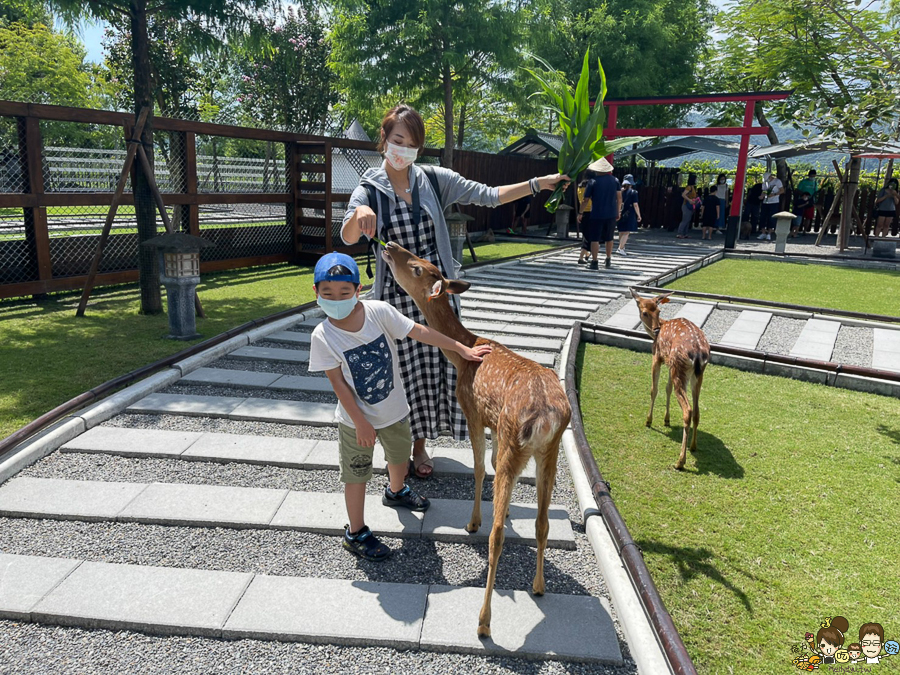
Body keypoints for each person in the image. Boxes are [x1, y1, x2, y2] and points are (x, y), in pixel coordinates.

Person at [341, 104, 568, 478]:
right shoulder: (370, 189)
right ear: (384, 140)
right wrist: (357, 219)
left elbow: (488, 194)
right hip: (397, 298)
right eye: (398, 140)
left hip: (436, 296)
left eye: (412, 144)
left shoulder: (431, 178)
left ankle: (420, 445)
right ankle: (401, 447)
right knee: (401, 373)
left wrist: (537, 184)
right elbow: (347, 234)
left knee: (437, 369)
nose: (404, 150)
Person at [307, 253, 490, 561]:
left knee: (399, 460)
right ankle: (356, 531)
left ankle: (396, 491)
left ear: (358, 289)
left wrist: (460, 347)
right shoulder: (323, 336)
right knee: (357, 474)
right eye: (328, 294)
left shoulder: (378, 312)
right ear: (316, 293)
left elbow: (419, 331)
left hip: (394, 411)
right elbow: (338, 383)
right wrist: (361, 423)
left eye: (343, 292)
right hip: (355, 422)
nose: (336, 299)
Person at [577, 157, 621, 268]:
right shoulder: (615, 180)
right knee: (609, 237)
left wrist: (580, 212)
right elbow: (619, 198)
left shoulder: (593, 182)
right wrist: (618, 211)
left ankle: (595, 261)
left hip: (596, 213)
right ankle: (608, 259)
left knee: (594, 238)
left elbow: (585, 200)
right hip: (611, 213)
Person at [617, 177, 641, 254]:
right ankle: (621, 248)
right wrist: (639, 215)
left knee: (621, 231)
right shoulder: (633, 192)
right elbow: (635, 204)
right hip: (629, 212)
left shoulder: (620, 191)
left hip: (620, 212)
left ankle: (621, 247)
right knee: (627, 232)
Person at [758, 171, 783, 240]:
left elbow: (782, 190)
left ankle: (769, 233)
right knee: (763, 217)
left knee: (771, 217)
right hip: (765, 202)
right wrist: (762, 195)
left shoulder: (777, 181)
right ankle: (763, 232)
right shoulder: (765, 182)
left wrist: (774, 194)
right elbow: (764, 191)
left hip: (774, 202)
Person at [576, 175, 593, 264]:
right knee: (589, 236)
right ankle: (582, 256)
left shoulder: (579, 189)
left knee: (585, 233)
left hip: (582, 212)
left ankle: (587, 254)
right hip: (590, 211)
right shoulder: (589, 189)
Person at [677, 173, 699, 239]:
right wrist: (689, 200)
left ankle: (685, 233)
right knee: (685, 220)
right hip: (686, 205)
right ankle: (680, 233)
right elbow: (683, 194)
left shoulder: (693, 187)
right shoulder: (689, 187)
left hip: (691, 205)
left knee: (688, 219)